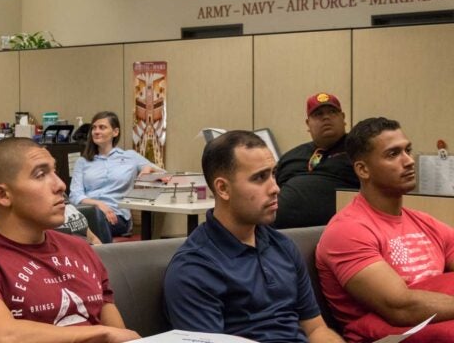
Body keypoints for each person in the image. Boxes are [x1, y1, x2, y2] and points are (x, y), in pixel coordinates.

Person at [0, 137, 141, 343]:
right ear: (3, 195)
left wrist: (110, 334)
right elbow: (2, 336)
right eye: (40, 174)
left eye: (55, 171)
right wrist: (102, 333)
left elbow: (122, 336)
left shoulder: (79, 248)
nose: (60, 185)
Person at [164, 130, 343, 343]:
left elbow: (315, 329)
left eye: (273, 174)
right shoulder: (195, 268)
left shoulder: (283, 246)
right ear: (223, 189)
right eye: (260, 177)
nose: (275, 188)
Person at [316, 117, 454, 342]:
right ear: (363, 170)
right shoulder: (347, 230)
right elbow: (400, 308)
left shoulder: (426, 222)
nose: (409, 161)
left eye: (407, 150)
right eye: (393, 154)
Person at [274, 92, 359, 228]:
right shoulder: (290, 157)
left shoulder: (360, 150)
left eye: (332, 112)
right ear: (308, 124)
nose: (326, 117)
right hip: (280, 233)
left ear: (343, 118)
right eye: (318, 114)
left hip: (339, 230)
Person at [69, 111, 159, 238]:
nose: (96, 131)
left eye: (102, 127)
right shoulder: (82, 161)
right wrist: (99, 205)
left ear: (115, 132)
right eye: (94, 128)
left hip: (118, 216)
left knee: (92, 223)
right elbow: (75, 195)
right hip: (88, 213)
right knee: (74, 222)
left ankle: (102, 256)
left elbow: (163, 173)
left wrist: (148, 168)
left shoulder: (130, 157)